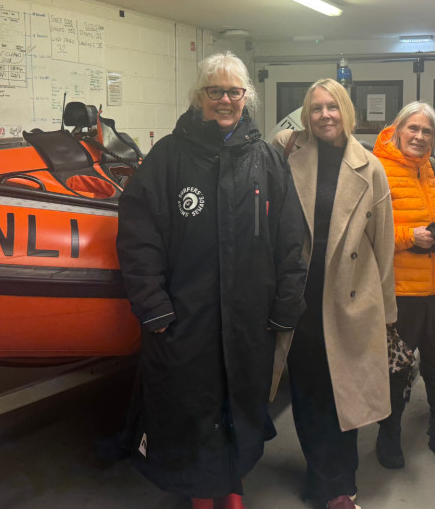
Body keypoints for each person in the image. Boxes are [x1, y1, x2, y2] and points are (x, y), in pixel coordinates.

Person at [116, 51, 307, 509]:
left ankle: (233, 488)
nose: (225, 100)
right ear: (198, 96)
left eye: (234, 92)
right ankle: (203, 495)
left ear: (247, 97)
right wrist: (154, 306)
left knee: (240, 405)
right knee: (193, 409)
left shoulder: (266, 159)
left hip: (248, 320)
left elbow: (291, 239)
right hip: (186, 318)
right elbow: (138, 236)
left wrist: (286, 305)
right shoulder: (168, 157)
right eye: (215, 91)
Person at [271, 78, 397, 509]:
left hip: (350, 299)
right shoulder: (289, 150)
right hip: (302, 299)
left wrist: (386, 315)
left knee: (344, 393)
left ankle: (339, 484)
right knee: (308, 395)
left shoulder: (370, 167)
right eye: (317, 107)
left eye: (333, 107)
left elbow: (383, 245)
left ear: (347, 112)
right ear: (307, 114)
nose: (325, 115)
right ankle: (326, 479)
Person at [372, 101, 435, 471]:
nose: (419, 136)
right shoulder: (376, 170)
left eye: (427, 131)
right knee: (396, 370)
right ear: (398, 129)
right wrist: (411, 237)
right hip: (399, 294)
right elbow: (369, 234)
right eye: (413, 128)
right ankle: (388, 434)